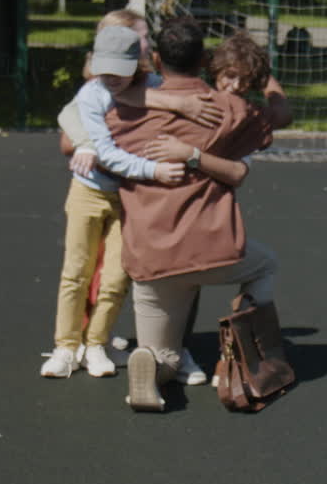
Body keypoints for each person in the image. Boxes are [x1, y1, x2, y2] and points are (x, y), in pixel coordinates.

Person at [103, 15, 292, 411]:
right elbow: (280, 115)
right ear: (205, 59)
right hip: (211, 251)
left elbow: (72, 140)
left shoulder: (120, 111)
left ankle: (152, 365)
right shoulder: (233, 110)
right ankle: (242, 353)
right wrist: (266, 79)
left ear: (156, 59)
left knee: (165, 353)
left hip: (149, 254)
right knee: (267, 264)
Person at [42, 24, 241, 381]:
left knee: (118, 276)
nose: (111, 78)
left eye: (120, 71)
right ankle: (66, 346)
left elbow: (144, 97)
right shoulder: (92, 93)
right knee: (76, 270)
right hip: (90, 190)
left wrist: (185, 104)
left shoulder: (149, 86)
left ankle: (97, 343)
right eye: (105, 69)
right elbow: (104, 152)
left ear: (140, 64)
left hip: (125, 196)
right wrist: (154, 170)